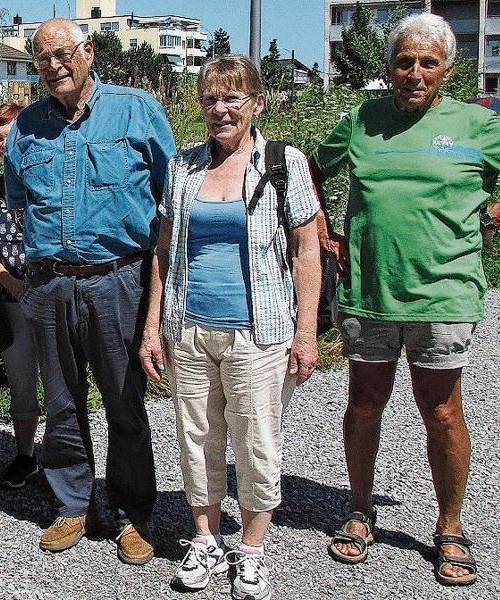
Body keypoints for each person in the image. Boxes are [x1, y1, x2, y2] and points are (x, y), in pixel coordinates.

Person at [313, 13, 497, 587]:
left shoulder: (477, 123)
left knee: (441, 411)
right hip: (370, 292)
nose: (414, 73)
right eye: (404, 61)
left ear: (448, 69)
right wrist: (324, 232)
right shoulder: (364, 118)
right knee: (365, 405)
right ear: (389, 66)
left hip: (444, 292)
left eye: (428, 63)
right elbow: (308, 170)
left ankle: (450, 527)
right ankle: (360, 510)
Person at [138, 55, 320, 599]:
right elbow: (164, 251)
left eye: (232, 98)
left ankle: (253, 550)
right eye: (211, 99)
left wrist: (306, 333)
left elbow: (307, 251)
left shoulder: (283, 164)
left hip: (258, 331)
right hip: (190, 328)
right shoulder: (184, 167)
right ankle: (206, 541)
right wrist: (153, 327)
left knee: (257, 441)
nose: (220, 109)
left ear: (256, 104)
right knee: (197, 440)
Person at [3, 18, 176, 564]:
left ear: (88, 51)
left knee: (124, 402)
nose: (53, 67)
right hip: (50, 284)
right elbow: (17, 200)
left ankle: (130, 514)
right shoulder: (26, 127)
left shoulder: (136, 109)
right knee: (61, 402)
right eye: (41, 59)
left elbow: (172, 197)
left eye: (62, 54)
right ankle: (71, 503)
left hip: (117, 280)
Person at [0, 102, 42, 489]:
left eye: (11, 134)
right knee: (21, 381)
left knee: (64, 378)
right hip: (12, 298)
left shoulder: (49, 177)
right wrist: (14, 285)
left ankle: (66, 458)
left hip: (52, 296)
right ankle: (25, 454)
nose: (4, 143)